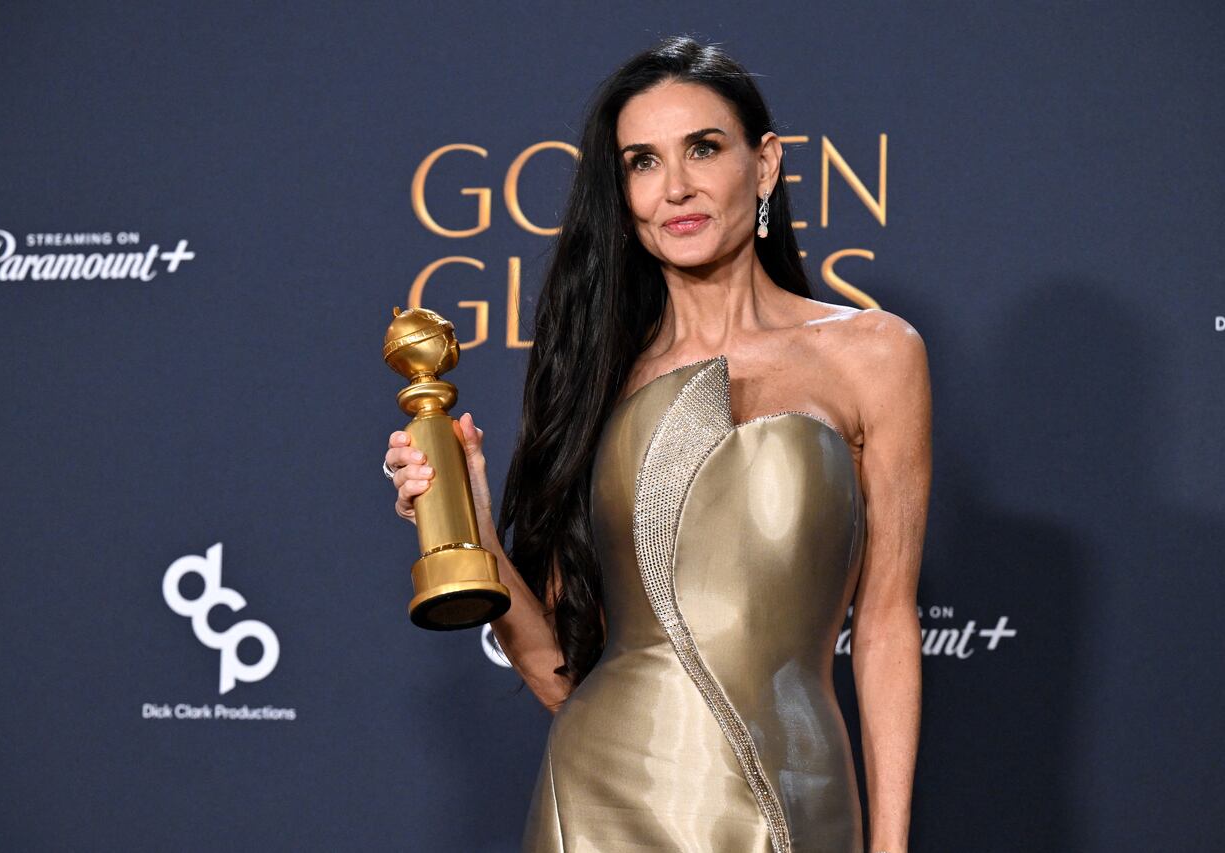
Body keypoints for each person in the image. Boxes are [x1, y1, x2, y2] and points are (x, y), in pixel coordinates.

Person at [383, 35, 929, 853]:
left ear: (767, 162)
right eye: (641, 162)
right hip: (602, 796)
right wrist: (473, 532)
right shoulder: (598, 380)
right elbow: (559, 677)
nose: (675, 187)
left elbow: (885, 623)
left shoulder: (876, 354)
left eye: (703, 149)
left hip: (797, 789)